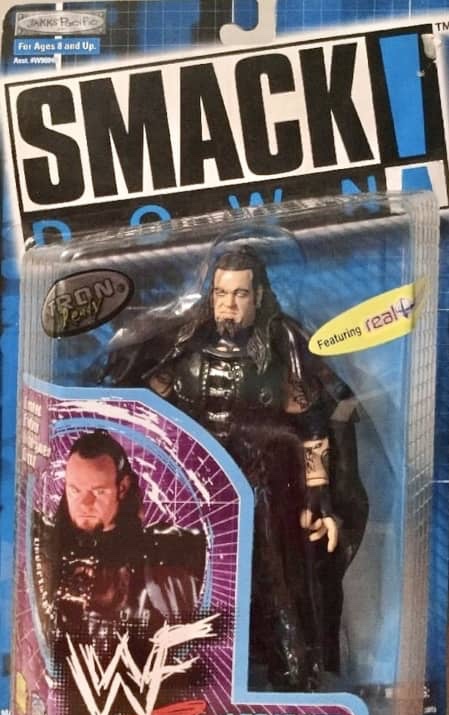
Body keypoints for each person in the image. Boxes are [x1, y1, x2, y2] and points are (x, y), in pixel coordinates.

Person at [106, 241, 368, 691]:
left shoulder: (282, 351)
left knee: (276, 585)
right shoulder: (182, 348)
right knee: (185, 587)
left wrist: (318, 495)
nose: (228, 305)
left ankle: (294, 678)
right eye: (221, 293)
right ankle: (177, 679)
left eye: (239, 294)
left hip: (263, 492)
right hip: (192, 493)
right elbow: (144, 407)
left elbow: (313, 425)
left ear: (258, 296)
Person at [33, 430, 206, 643]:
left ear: (122, 488)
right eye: (75, 491)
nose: (85, 504)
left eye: (99, 492)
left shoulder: (165, 552)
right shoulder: (42, 543)